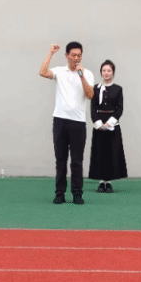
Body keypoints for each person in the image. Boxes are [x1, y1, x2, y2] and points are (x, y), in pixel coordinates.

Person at [39, 42, 94, 205]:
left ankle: (77, 193)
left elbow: (90, 95)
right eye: (73, 55)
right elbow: (43, 72)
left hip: (78, 123)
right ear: (67, 56)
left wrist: (81, 75)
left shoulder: (87, 74)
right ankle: (60, 193)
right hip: (60, 121)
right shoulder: (60, 72)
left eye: (79, 55)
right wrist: (50, 53)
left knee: (77, 161)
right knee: (60, 160)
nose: (76, 58)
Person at [89, 60, 128, 193]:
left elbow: (119, 109)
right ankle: (101, 182)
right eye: (104, 70)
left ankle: (109, 182)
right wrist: (98, 123)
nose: (106, 73)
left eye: (109, 71)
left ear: (113, 72)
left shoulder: (118, 89)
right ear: (101, 72)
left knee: (111, 152)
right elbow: (93, 108)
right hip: (99, 124)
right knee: (100, 152)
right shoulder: (95, 88)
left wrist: (109, 123)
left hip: (112, 125)